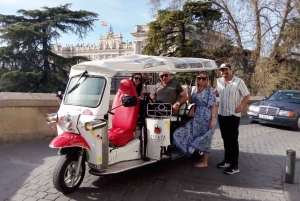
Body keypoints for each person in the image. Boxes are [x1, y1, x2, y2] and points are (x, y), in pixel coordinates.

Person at [173, 71, 217, 168]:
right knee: (185, 131)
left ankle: (205, 162)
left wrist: (212, 119)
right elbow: (191, 101)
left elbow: (213, 105)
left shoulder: (210, 90)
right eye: (199, 78)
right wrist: (188, 90)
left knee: (206, 138)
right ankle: (191, 151)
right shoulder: (195, 89)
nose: (201, 80)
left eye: (203, 78)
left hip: (206, 116)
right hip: (197, 117)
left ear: (207, 80)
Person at [215, 63, 250, 175]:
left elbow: (247, 95)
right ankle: (227, 160)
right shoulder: (219, 81)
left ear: (230, 70)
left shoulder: (239, 81)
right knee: (225, 138)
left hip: (233, 115)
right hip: (222, 113)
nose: (223, 71)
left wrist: (241, 105)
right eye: (221, 70)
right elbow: (215, 92)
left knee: (233, 140)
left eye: (225, 69)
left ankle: (234, 165)